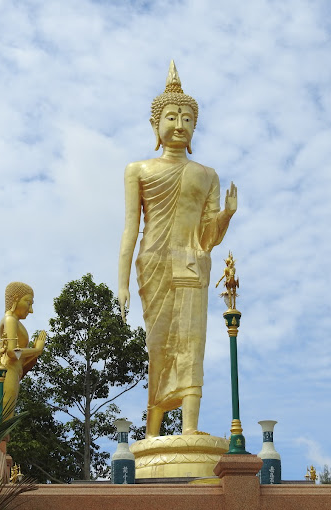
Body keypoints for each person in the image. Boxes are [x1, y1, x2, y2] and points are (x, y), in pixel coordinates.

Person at [118, 61, 237, 437]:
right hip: (153, 262)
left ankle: (189, 429)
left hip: (190, 261)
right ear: (156, 125)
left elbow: (207, 236)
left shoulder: (207, 175)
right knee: (159, 347)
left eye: (187, 118)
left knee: (190, 347)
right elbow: (130, 229)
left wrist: (227, 216)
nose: (179, 124)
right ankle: (152, 433)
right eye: (171, 117)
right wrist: (121, 283)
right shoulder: (138, 170)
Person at [0, 281, 46, 420]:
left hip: (13, 372)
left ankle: (1, 440)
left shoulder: (14, 321)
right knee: (0, 419)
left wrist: (33, 354)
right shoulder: (10, 320)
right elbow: (11, 352)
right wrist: (37, 350)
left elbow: (18, 357)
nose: (31, 309)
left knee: (6, 419)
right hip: (5, 372)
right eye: (28, 302)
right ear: (16, 298)